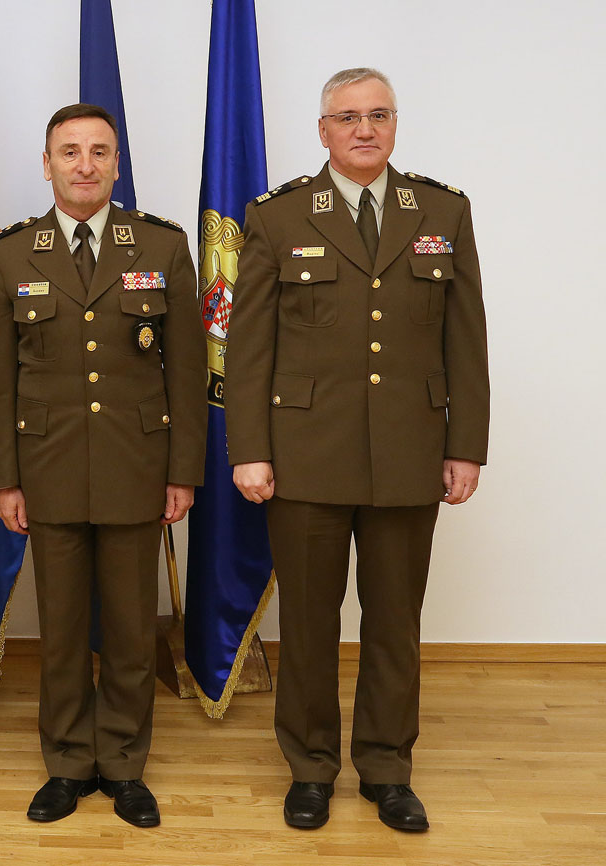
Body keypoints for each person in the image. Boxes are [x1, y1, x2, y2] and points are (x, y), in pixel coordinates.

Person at [226, 68, 490, 832]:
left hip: (410, 450)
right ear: (324, 131)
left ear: (395, 124)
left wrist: (465, 445)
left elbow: (465, 337)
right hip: (305, 454)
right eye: (348, 117)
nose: (365, 129)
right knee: (309, 624)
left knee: (395, 623)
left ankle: (386, 769)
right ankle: (311, 769)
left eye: (378, 114)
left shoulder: (442, 210)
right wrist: (250, 449)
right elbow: (249, 348)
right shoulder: (277, 216)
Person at [0, 103, 209, 828]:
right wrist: (5, 479)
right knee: (64, 630)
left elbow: (187, 373)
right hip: (47, 469)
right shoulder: (11, 254)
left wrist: (182, 471)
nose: (85, 165)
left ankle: (126, 764)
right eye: (69, 152)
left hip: (137, 466)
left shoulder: (162, 246)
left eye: (99, 152)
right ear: (46, 165)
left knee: (134, 629)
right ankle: (69, 763)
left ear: (116, 163)